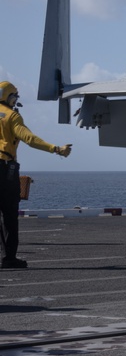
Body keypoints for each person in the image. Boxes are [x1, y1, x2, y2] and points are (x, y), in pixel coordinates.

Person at [0, 82, 72, 269]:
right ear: (10, 97)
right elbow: (30, 139)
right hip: (4, 168)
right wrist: (55, 149)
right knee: (9, 215)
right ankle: (9, 258)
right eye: (14, 96)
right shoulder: (12, 116)